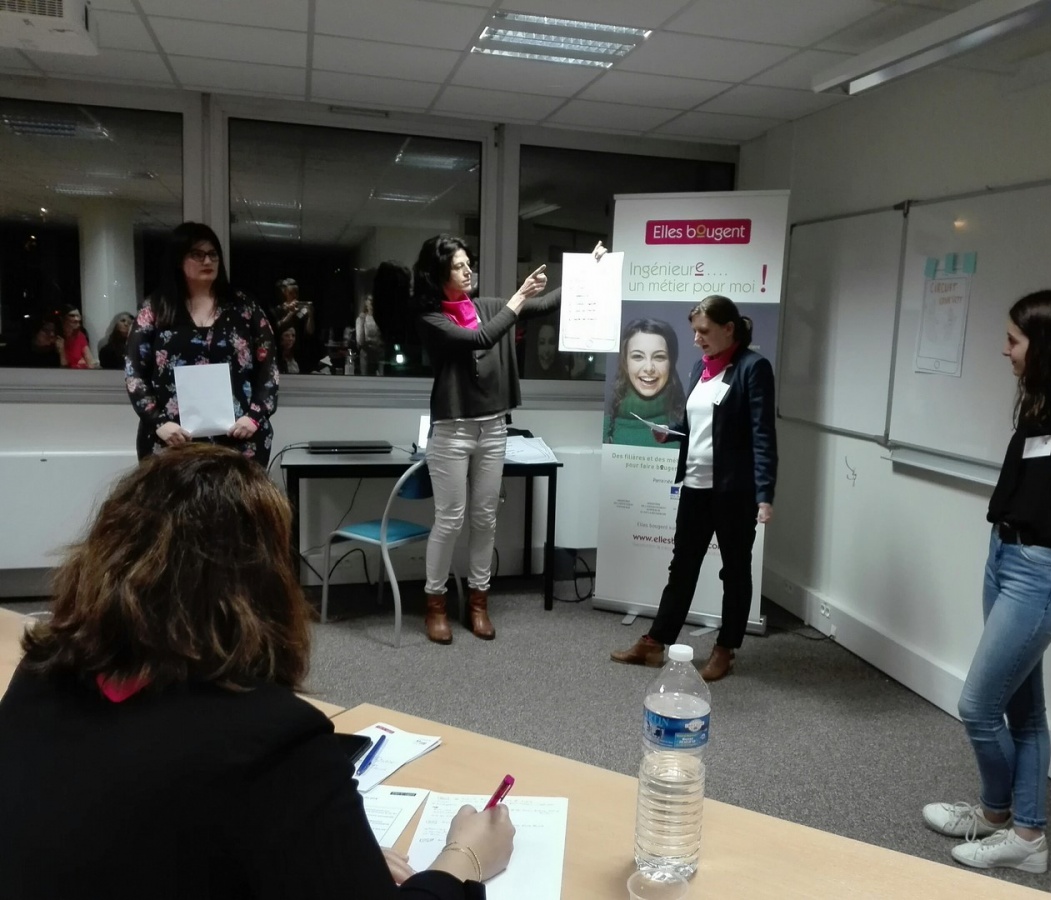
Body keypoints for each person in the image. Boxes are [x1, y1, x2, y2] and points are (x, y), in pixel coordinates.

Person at [0, 444, 515, 900]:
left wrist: (322, 853)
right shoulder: (272, 741)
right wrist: (464, 858)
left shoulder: (40, 676)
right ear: (264, 583)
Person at [921, 289, 1051, 874]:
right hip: (1007, 560)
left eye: (1014, 340)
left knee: (976, 707)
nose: (1005, 350)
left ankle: (1023, 832)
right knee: (1024, 710)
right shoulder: (1045, 405)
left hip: (1044, 575)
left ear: (1049, 345)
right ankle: (1007, 822)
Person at [414, 235, 603, 643]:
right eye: (459, 266)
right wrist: (517, 298)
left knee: (485, 519)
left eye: (469, 263)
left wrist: (587, 270)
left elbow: (545, 304)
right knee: (450, 520)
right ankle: (435, 605)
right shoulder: (431, 318)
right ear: (438, 274)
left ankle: (478, 603)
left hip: (494, 428)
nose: (468, 270)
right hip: (452, 431)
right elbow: (479, 339)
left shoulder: (487, 307)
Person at [611, 295, 777, 682]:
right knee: (682, 567)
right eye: (694, 332)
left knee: (734, 571)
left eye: (704, 331)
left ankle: (725, 649)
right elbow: (697, 426)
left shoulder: (753, 368)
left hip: (734, 491)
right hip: (695, 486)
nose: (697, 339)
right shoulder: (700, 369)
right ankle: (656, 642)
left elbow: (762, 435)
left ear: (728, 329)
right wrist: (670, 433)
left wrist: (764, 494)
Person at [125, 222, 279, 466]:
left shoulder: (244, 307)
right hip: (173, 438)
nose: (207, 261)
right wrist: (158, 422)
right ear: (178, 259)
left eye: (212, 254)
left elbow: (268, 367)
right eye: (197, 254)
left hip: (239, 436)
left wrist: (255, 416)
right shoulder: (156, 307)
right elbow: (134, 371)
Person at [602, 318, 686, 448]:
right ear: (625, 363)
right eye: (638, 356)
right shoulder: (604, 429)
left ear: (671, 363)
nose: (649, 368)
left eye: (659, 357)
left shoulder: (689, 428)